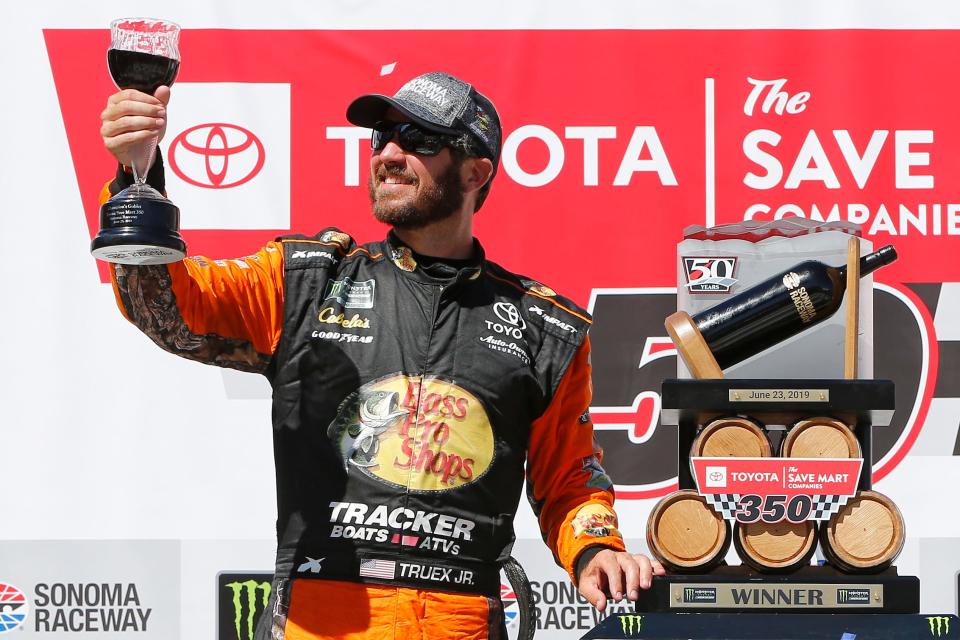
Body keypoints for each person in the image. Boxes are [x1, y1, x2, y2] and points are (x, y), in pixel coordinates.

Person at [98, 71, 664, 639]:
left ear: (476, 171)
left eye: (417, 140)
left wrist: (596, 548)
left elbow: (570, 479)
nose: (389, 154)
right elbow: (169, 309)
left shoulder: (546, 328)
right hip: (324, 620)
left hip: (461, 621)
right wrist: (134, 176)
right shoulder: (307, 281)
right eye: (381, 138)